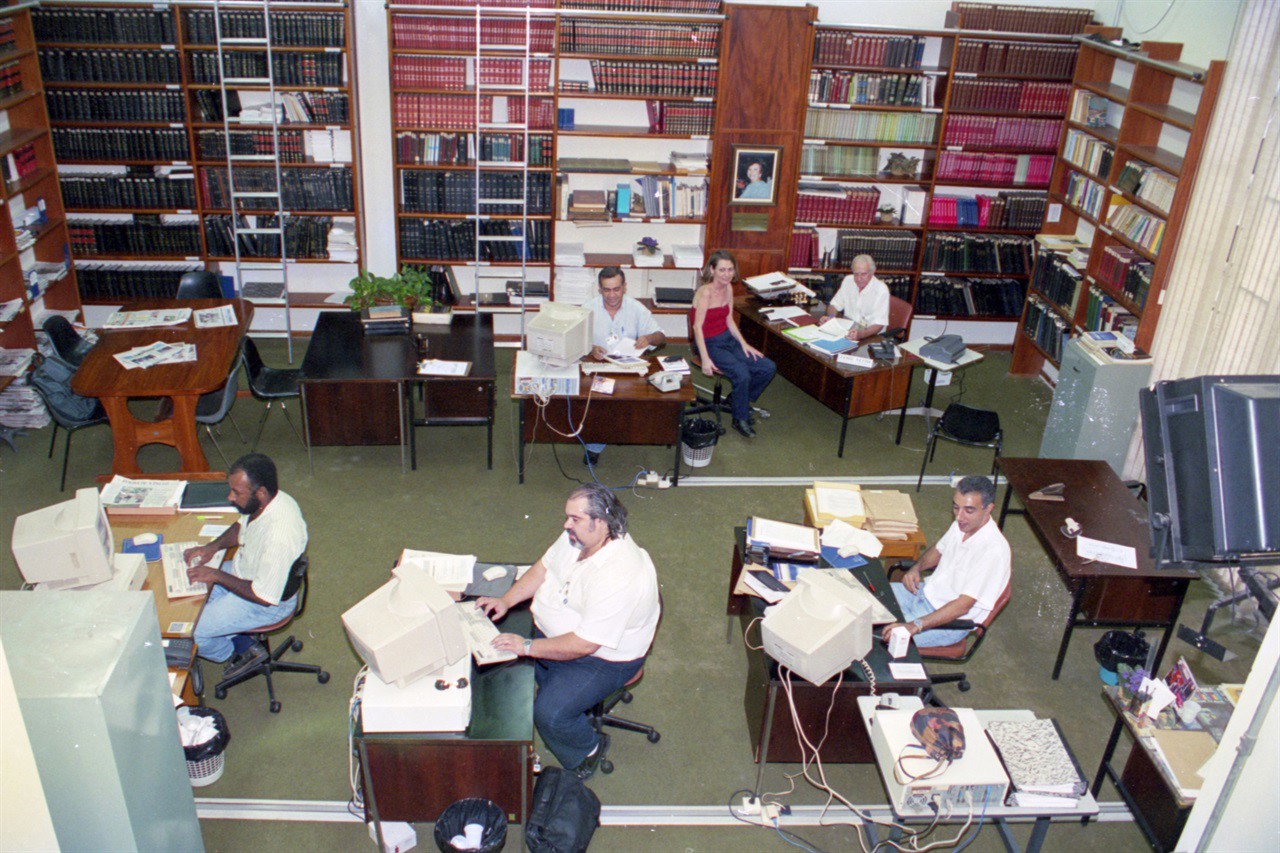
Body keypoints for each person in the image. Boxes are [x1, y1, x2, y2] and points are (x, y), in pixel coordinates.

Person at [478, 484, 659, 779]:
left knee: (550, 714)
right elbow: (543, 567)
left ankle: (588, 751)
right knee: (509, 671)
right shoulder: (579, 538)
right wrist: (506, 600)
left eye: (574, 518)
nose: (566, 525)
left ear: (600, 522)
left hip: (604, 657)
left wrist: (526, 646)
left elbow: (584, 645)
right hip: (562, 632)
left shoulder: (619, 575)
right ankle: (558, 685)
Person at [185, 453, 308, 675]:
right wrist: (211, 548)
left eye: (236, 492)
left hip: (265, 604)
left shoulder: (279, 536)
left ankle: (236, 654)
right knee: (189, 594)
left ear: (260, 492)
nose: (230, 497)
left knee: (192, 630)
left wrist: (217, 575)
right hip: (246, 574)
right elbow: (240, 529)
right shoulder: (265, 502)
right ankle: (241, 639)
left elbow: (263, 596)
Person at [881, 475, 1010, 648]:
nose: (959, 517)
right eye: (956, 507)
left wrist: (915, 625)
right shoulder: (962, 525)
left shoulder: (992, 550)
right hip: (923, 593)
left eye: (969, 510)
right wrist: (916, 568)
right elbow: (938, 550)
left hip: (948, 621)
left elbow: (962, 606)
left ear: (988, 509)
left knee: (878, 634)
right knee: (866, 601)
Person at [581, 267, 666, 466]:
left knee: (635, 401)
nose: (612, 295)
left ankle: (630, 434)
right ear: (600, 289)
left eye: (616, 289)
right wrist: (590, 348)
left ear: (625, 287)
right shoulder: (587, 308)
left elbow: (661, 337)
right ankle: (594, 447)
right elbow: (575, 342)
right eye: (606, 290)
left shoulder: (636, 308)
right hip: (599, 366)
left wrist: (649, 338)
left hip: (629, 367)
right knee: (598, 402)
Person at [692, 249, 776, 439]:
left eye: (730, 269)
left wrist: (745, 345)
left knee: (767, 367)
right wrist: (705, 359)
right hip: (707, 342)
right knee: (742, 374)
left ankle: (737, 400)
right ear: (712, 270)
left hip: (726, 340)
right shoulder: (705, 293)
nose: (727, 274)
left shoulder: (728, 288)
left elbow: (729, 320)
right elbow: (697, 328)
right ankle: (740, 418)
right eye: (722, 270)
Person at [824, 254, 890, 343]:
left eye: (863, 274)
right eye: (856, 274)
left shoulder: (881, 290)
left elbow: (879, 324)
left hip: (870, 335)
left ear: (872, 272)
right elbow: (834, 305)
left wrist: (860, 334)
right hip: (848, 329)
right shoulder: (848, 280)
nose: (859, 279)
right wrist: (830, 318)